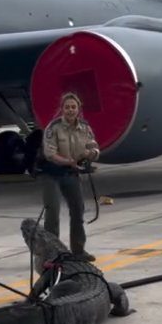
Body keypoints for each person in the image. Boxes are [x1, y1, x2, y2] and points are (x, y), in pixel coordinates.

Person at [39, 92, 100, 261]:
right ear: (62, 109)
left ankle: (78, 251)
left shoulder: (85, 128)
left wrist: (91, 154)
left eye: (73, 107)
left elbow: (95, 148)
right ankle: (52, 253)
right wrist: (68, 161)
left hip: (70, 173)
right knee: (52, 212)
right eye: (67, 107)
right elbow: (50, 154)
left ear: (79, 109)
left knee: (77, 210)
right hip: (51, 174)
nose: (70, 110)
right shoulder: (53, 128)